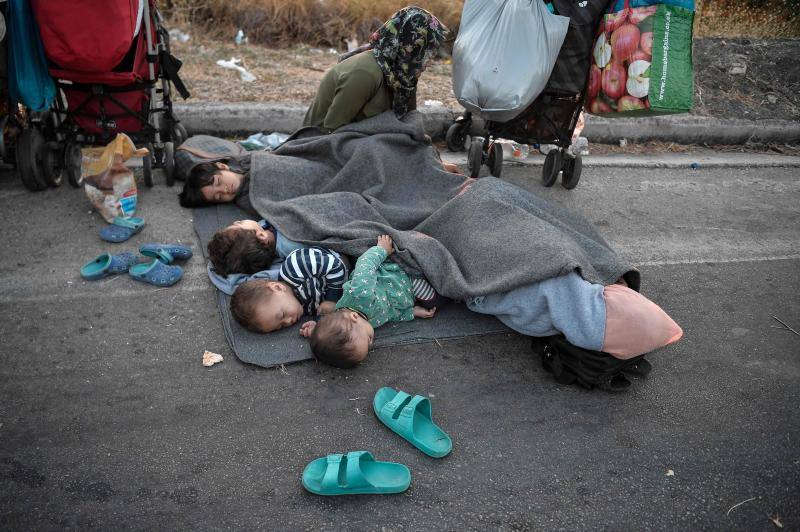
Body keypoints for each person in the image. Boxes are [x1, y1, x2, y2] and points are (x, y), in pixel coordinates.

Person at [303, 6, 449, 132]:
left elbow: (408, 122)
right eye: (427, 52)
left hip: (362, 138)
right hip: (322, 141)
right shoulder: (363, 73)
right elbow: (332, 130)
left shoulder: (403, 76)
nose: (430, 61)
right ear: (409, 45)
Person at [300, 235, 437, 368]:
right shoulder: (362, 321)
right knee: (432, 302)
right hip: (409, 295)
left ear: (353, 317)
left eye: (368, 340)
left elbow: (365, 265)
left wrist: (381, 250)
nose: (372, 342)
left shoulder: (360, 293)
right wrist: (411, 312)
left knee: (434, 297)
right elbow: (390, 315)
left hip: (401, 274)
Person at [230, 247, 347, 333]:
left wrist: (332, 299)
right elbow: (324, 310)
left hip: (343, 256)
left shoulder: (295, 268)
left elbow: (335, 266)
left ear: (277, 287)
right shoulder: (300, 306)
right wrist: (318, 323)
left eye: (281, 315)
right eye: (281, 326)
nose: (288, 321)